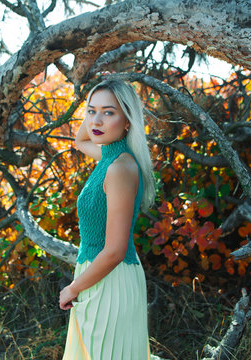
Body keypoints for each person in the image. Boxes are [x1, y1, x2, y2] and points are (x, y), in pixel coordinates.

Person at [59, 79, 155, 359]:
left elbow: (115, 250)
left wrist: (73, 288)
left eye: (109, 112)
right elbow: (80, 140)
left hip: (112, 280)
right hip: (94, 276)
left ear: (128, 120)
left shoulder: (120, 168)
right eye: (91, 111)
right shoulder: (108, 156)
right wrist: (95, 91)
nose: (96, 121)